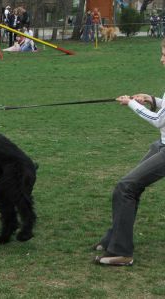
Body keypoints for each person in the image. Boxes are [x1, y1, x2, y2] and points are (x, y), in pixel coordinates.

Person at [94, 39, 165, 266]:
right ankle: (114, 238)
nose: (161, 59)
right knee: (130, 188)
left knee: (126, 187)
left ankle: (122, 252)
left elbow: (157, 120)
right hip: (162, 144)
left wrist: (132, 104)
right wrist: (152, 99)